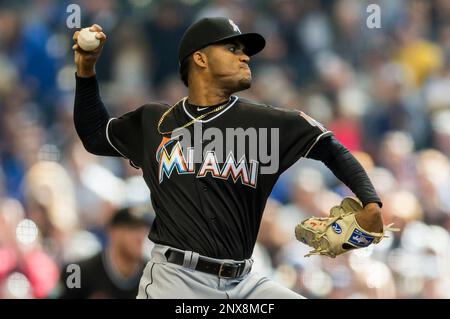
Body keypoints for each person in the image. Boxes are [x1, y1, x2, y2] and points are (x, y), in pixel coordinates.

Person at [72, 17, 385, 299]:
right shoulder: (154, 121)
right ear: (200, 58)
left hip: (244, 282)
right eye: (232, 48)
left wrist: (370, 202)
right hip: (176, 280)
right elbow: (95, 136)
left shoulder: (269, 122)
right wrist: (86, 73)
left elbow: (332, 148)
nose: (245, 56)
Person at [59, 206, 153, 299]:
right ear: (112, 232)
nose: (140, 237)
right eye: (133, 228)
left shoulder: (155, 275)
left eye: (145, 230)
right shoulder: (77, 272)